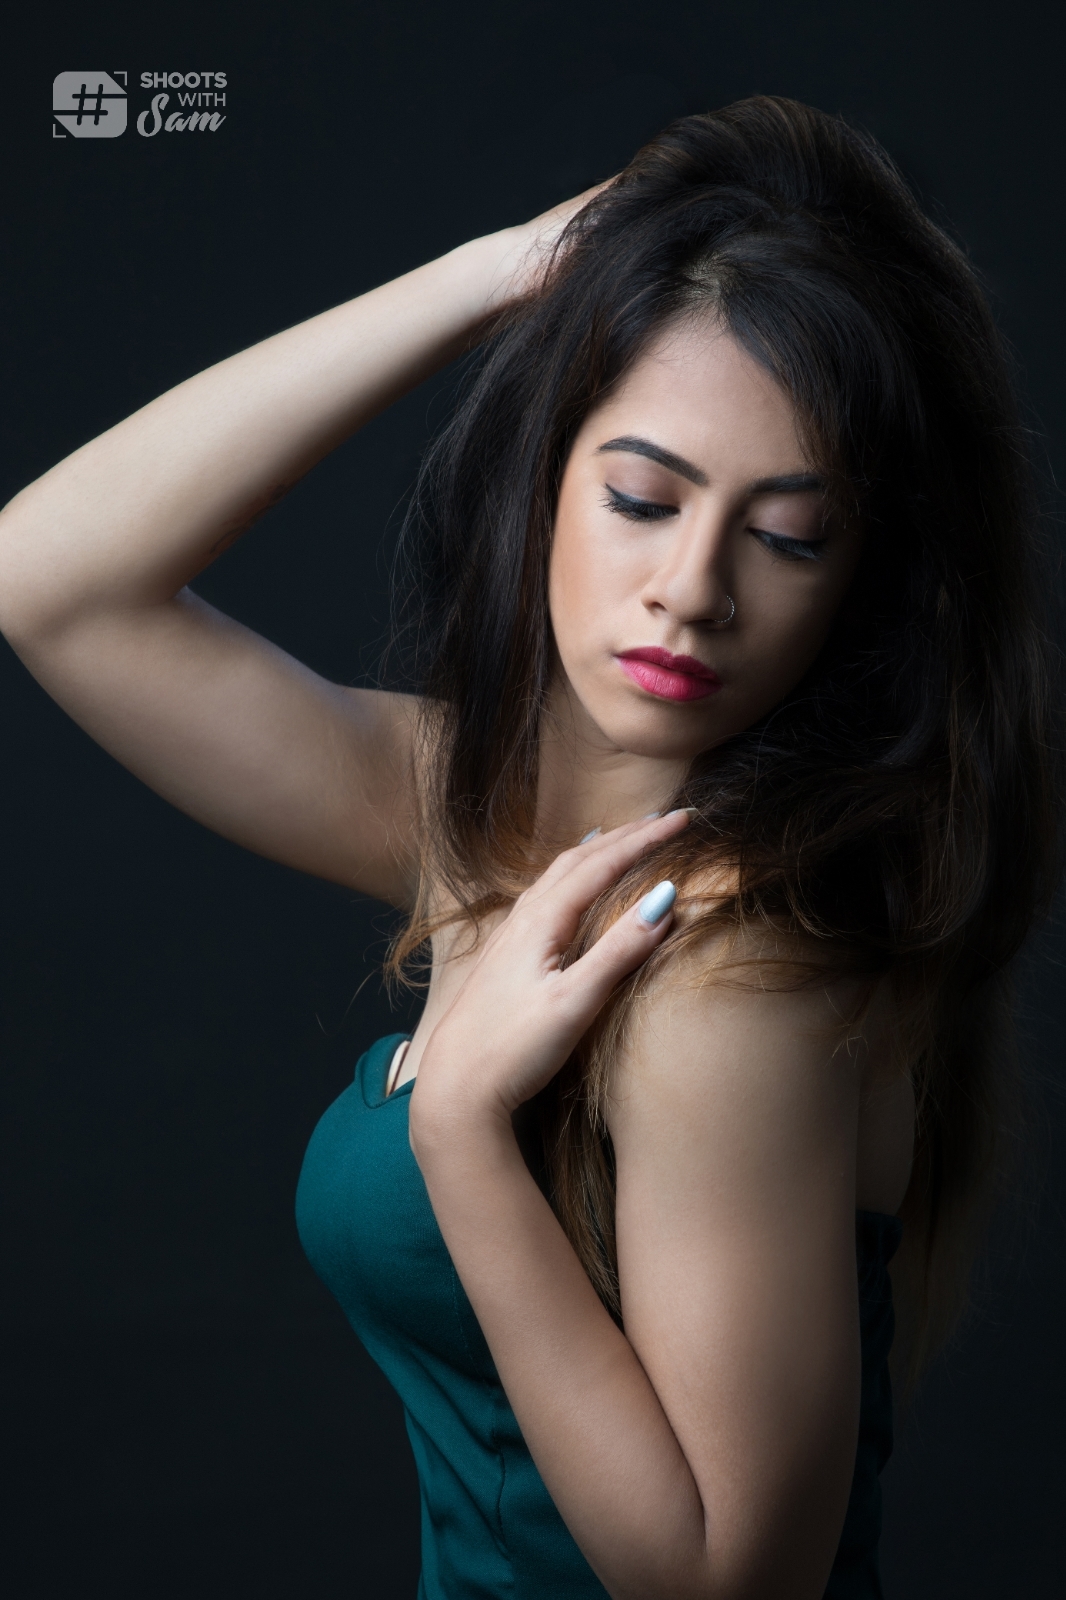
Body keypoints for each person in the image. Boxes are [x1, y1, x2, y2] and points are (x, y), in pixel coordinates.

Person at [0, 95, 1059, 1599]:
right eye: (639, 496)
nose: (691, 587)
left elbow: (727, 1581)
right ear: (542, 474)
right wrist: (496, 274)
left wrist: (461, 1137)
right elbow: (51, 580)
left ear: (859, 585)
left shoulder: (732, 972)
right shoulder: (468, 809)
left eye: (787, 535)